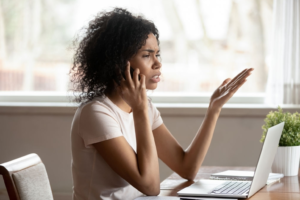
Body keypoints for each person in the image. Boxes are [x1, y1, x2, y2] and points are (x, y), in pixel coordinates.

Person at [69, 7, 253, 200]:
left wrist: (214, 109)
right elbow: (150, 186)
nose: (158, 64)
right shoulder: (96, 113)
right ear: (119, 63)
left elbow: (186, 168)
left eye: (157, 54)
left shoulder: (145, 107)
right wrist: (140, 111)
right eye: (147, 55)